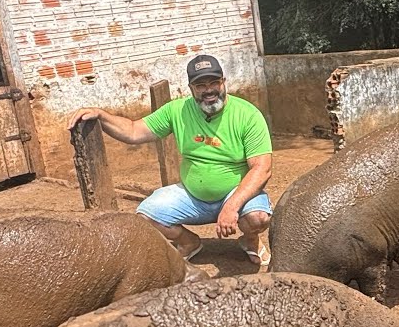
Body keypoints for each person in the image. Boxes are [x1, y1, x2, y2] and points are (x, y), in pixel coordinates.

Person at [65, 54, 273, 266]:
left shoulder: (247, 115)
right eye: (201, 85)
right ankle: (189, 242)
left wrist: (231, 206)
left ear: (223, 82)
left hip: (235, 192)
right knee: (146, 216)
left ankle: (250, 240)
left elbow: (262, 168)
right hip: (193, 197)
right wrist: (101, 115)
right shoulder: (178, 110)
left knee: (258, 218)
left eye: (214, 82)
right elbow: (134, 131)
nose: (209, 90)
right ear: (191, 88)